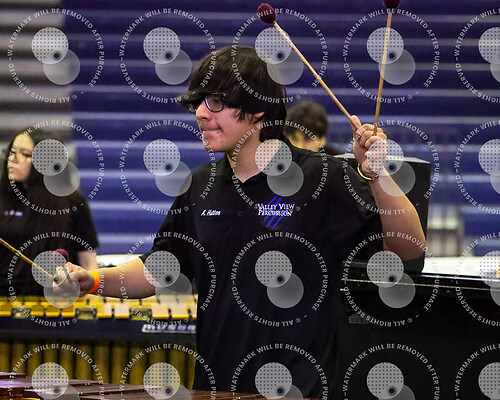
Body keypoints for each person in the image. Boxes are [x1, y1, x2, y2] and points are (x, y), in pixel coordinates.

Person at [61, 46, 425, 397]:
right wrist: (94, 280)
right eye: (199, 103)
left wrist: (378, 175)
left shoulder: (321, 178)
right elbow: (159, 268)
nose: (201, 114)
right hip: (216, 387)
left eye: (215, 102)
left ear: (257, 109)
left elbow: (408, 251)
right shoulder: (200, 185)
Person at [0, 128, 99, 296]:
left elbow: (88, 263)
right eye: (11, 152)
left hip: (56, 299)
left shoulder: (73, 202)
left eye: (24, 154)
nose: (12, 159)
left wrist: (91, 300)